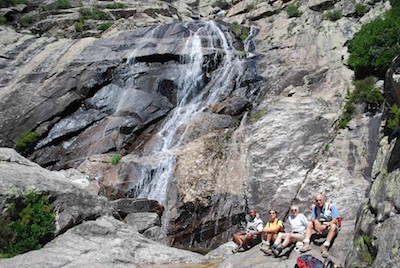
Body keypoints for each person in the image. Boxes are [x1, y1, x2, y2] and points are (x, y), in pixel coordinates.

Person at [300, 194, 341, 258]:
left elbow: (336, 220)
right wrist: (315, 221)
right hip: (320, 227)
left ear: (323, 199)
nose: (318, 202)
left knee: (333, 226)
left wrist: (327, 225)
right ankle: (306, 243)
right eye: (317, 201)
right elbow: (312, 218)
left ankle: (325, 246)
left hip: (329, 227)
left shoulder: (331, 207)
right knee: (309, 223)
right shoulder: (316, 208)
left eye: (320, 200)